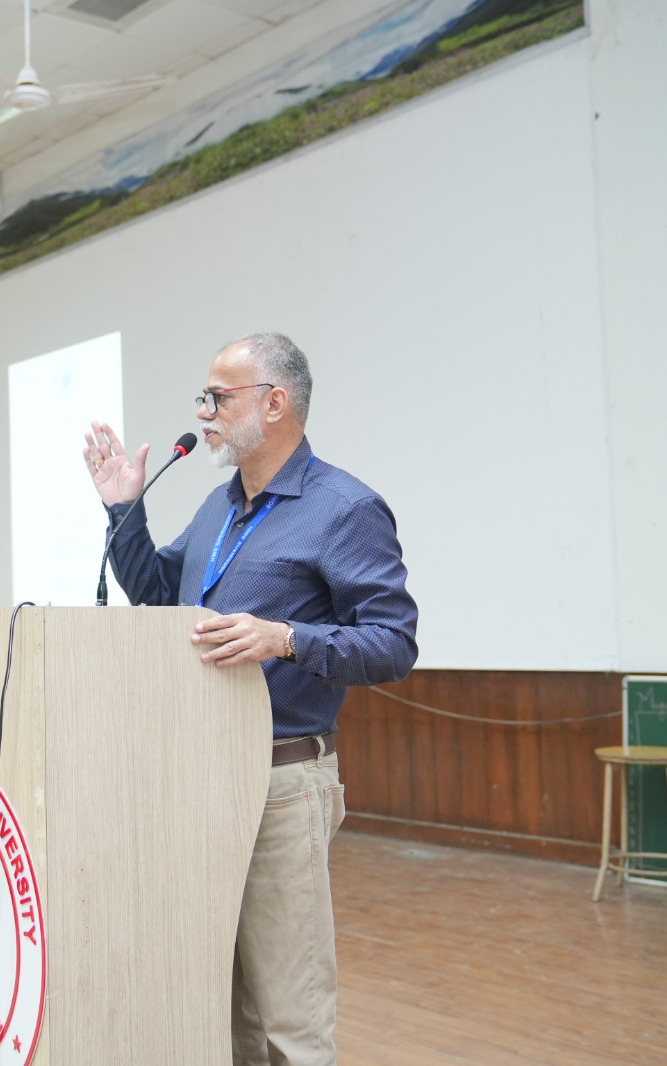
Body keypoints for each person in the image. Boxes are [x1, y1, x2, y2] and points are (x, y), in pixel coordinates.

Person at [82, 331, 418, 1066]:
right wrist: (123, 512)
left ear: (274, 404)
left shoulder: (344, 508)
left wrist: (286, 639)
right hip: (201, 776)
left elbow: (394, 644)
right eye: (202, 398)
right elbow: (160, 595)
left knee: (288, 1018)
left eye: (218, 397)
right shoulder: (219, 506)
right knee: (224, 1008)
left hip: (282, 779)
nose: (203, 412)